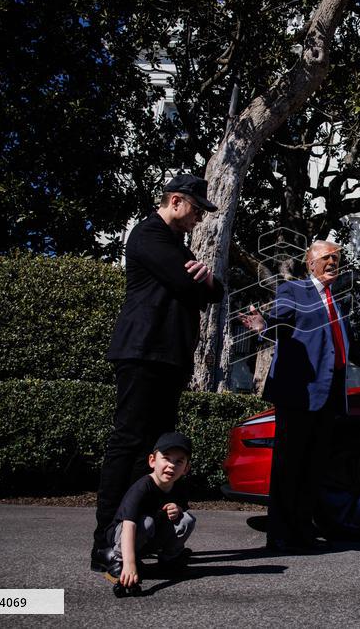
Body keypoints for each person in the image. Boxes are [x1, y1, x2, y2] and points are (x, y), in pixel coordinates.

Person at [91, 173, 223, 571]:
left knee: (154, 450)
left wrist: (210, 281)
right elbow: (190, 288)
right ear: (176, 201)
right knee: (128, 443)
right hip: (143, 353)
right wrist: (204, 283)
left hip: (169, 358)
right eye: (197, 210)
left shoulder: (175, 245)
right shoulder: (149, 236)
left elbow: (214, 293)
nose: (199, 219)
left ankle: (140, 536)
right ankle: (104, 544)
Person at [238, 240, 360, 552]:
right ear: (310, 263)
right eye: (327, 258)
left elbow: (350, 347)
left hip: (329, 396)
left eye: (337, 259)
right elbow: (282, 320)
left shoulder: (336, 301)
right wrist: (264, 325)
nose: (333, 263)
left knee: (314, 466)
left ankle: (303, 531)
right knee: (289, 466)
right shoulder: (294, 290)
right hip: (300, 393)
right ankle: (280, 534)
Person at [103, 432, 196, 588]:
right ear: (152, 461)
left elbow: (181, 509)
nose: (172, 465)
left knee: (187, 519)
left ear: (186, 468)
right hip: (125, 535)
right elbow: (128, 525)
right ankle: (118, 560)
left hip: (152, 535)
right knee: (147, 522)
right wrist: (129, 563)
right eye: (166, 458)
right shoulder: (142, 487)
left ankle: (169, 560)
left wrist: (177, 509)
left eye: (179, 461)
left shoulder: (178, 486)